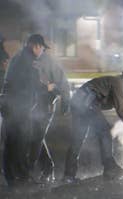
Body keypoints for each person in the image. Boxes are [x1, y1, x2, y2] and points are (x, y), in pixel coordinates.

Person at [1, 34, 68, 186]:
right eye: (41, 48)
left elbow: (14, 82)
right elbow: (29, 83)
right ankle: (24, 175)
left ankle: (13, 175)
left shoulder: (19, 58)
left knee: (16, 141)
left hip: (17, 105)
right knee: (24, 141)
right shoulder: (27, 60)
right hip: (22, 106)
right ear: (35, 45)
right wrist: (47, 87)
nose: (41, 51)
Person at [63, 66, 123, 182]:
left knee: (78, 138)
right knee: (105, 132)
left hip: (80, 102)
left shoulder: (121, 87)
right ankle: (110, 168)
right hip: (87, 102)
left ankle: (68, 175)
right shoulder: (118, 83)